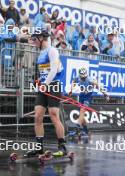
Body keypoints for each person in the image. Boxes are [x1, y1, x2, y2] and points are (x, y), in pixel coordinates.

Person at [28, 29, 67, 157]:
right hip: (44, 85)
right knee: (38, 116)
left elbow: (54, 69)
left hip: (54, 84)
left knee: (53, 115)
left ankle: (62, 146)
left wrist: (45, 84)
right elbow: (44, 72)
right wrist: (40, 81)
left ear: (41, 38)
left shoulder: (52, 51)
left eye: (35, 39)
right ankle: (39, 148)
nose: (33, 41)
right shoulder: (40, 53)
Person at [69, 68, 109, 135]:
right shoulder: (78, 77)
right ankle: (86, 130)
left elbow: (98, 86)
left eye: (84, 78)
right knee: (81, 114)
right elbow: (74, 82)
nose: (83, 79)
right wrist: (71, 90)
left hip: (88, 97)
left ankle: (77, 127)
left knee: (82, 110)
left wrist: (105, 94)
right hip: (81, 96)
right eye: (82, 78)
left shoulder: (90, 79)